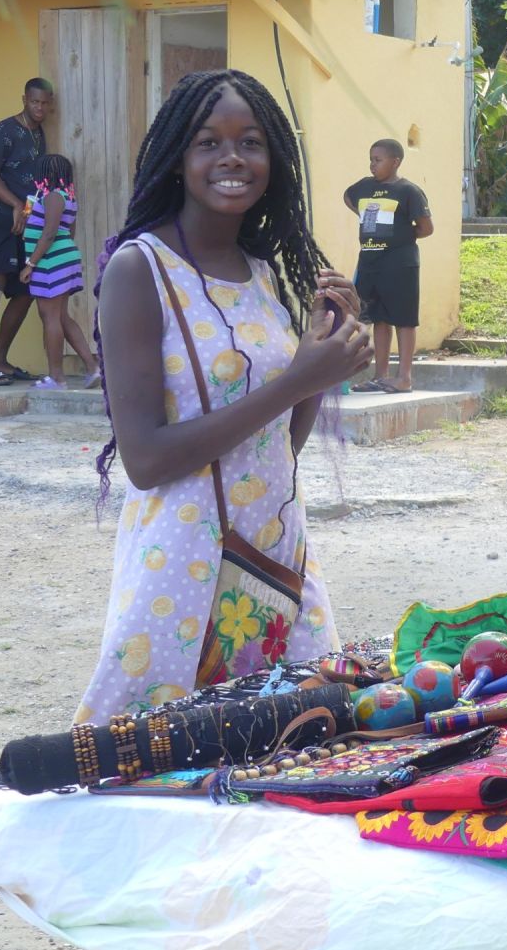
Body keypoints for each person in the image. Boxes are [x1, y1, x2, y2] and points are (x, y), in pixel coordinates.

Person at [74, 70, 373, 724]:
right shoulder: (139, 269)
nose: (232, 158)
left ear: (275, 160)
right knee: (160, 754)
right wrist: (297, 380)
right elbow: (145, 459)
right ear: (176, 159)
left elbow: (278, 446)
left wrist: (321, 357)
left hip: (273, 558)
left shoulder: (261, 274)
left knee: (302, 741)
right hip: (183, 569)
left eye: (250, 142)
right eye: (208, 142)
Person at [0, 77, 54, 386]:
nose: (39, 108)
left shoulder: (41, 134)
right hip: (0, 216)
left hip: (28, 220)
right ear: (24, 100)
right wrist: (15, 204)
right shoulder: (4, 130)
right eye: (34, 102)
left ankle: (0, 359)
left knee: (25, 289)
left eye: (45, 103)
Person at [343, 139, 433, 393]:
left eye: (378, 160)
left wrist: (399, 233)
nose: (372, 165)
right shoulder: (364, 187)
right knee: (379, 318)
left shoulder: (409, 191)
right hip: (370, 262)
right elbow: (348, 197)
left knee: (403, 319)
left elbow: (426, 228)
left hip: (400, 264)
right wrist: (368, 217)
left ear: (395, 162)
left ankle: (404, 378)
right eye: (371, 159)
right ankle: (380, 376)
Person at [19, 155, 97, 390]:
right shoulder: (67, 197)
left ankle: (57, 378)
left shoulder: (53, 196)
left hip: (50, 262)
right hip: (59, 258)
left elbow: (50, 233)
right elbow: (68, 232)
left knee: (50, 317)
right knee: (61, 317)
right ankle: (93, 368)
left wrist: (31, 263)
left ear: (46, 174)